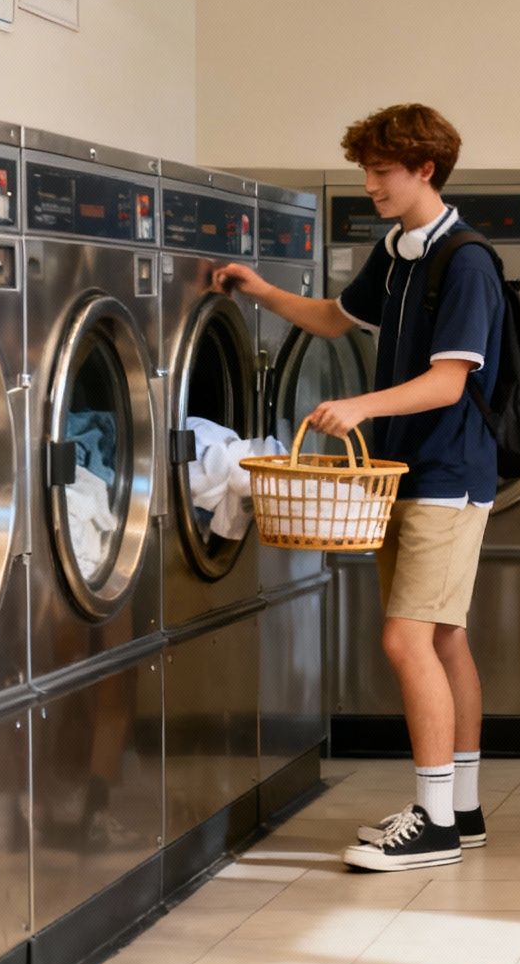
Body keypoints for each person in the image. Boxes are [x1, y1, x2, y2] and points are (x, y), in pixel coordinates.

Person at [214, 103, 502, 872]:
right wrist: (262, 292)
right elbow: (336, 319)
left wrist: (359, 407)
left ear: (424, 171)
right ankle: (462, 811)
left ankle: (435, 822)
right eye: (366, 171)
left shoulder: (464, 261)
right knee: (443, 638)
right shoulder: (400, 249)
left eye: (382, 172)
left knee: (407, 639)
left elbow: (447, 384)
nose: (369, 185)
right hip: (401, 473)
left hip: (448, 475)